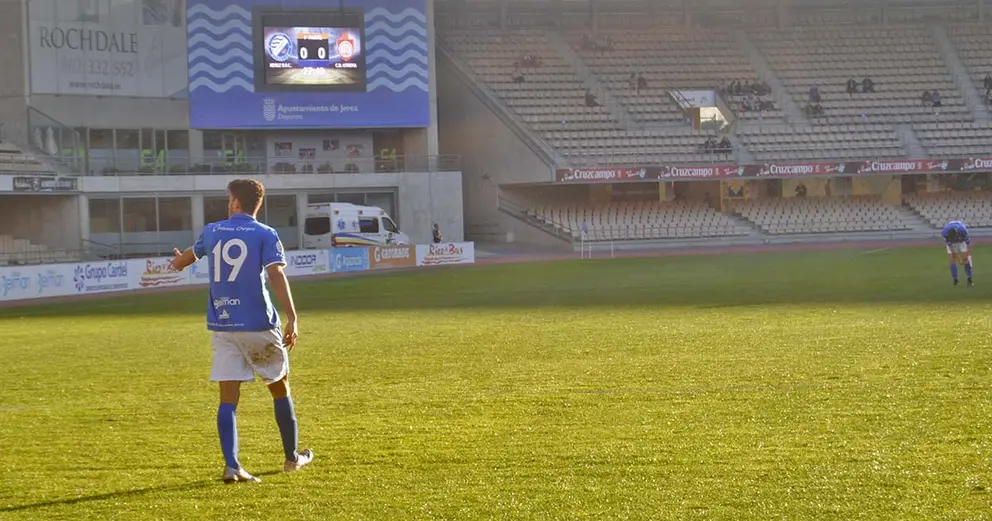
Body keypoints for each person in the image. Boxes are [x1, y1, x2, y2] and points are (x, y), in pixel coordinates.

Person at [169, 179, 314, 483]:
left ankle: (232, 465)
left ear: (235, 202)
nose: (228, 202)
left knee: (227, 399)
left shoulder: (212, 231)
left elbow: (184, 260)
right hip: (258, 324)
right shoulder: (265, 233)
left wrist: (177, 262)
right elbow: (275, 274)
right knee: (279, 387)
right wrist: (292, 317)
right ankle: (291, 458)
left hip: (223, 325)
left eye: (229, 198)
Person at [942, 220, 973, 287]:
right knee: (952, 260)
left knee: (965, 259)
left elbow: (969, 245)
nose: (953, 240)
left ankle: (969, 278)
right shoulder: (944, 233)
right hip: (952, 244)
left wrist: (968, 257)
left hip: (961, 241)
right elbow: (952, 250)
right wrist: (959, 260)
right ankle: (955, 280)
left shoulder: (963, 230)